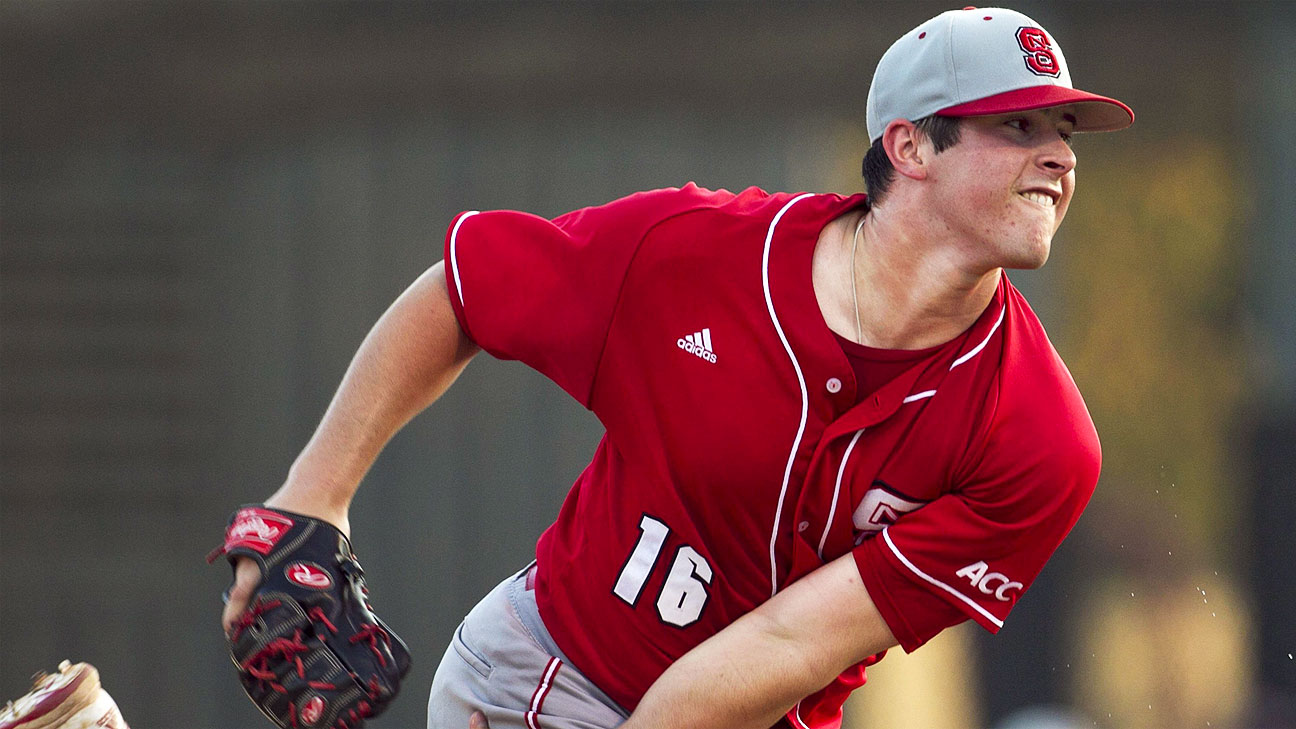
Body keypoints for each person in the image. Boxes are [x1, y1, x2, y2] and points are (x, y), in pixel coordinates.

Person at [218, 6, 1133, 729]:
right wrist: (313, 497)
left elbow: (791, 638)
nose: (1058, 154)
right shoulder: (696, 251)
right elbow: (463, 290)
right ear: (909, 147)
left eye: (1065, 129)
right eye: (1017, 124)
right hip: (556, 676)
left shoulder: (1038, 440)